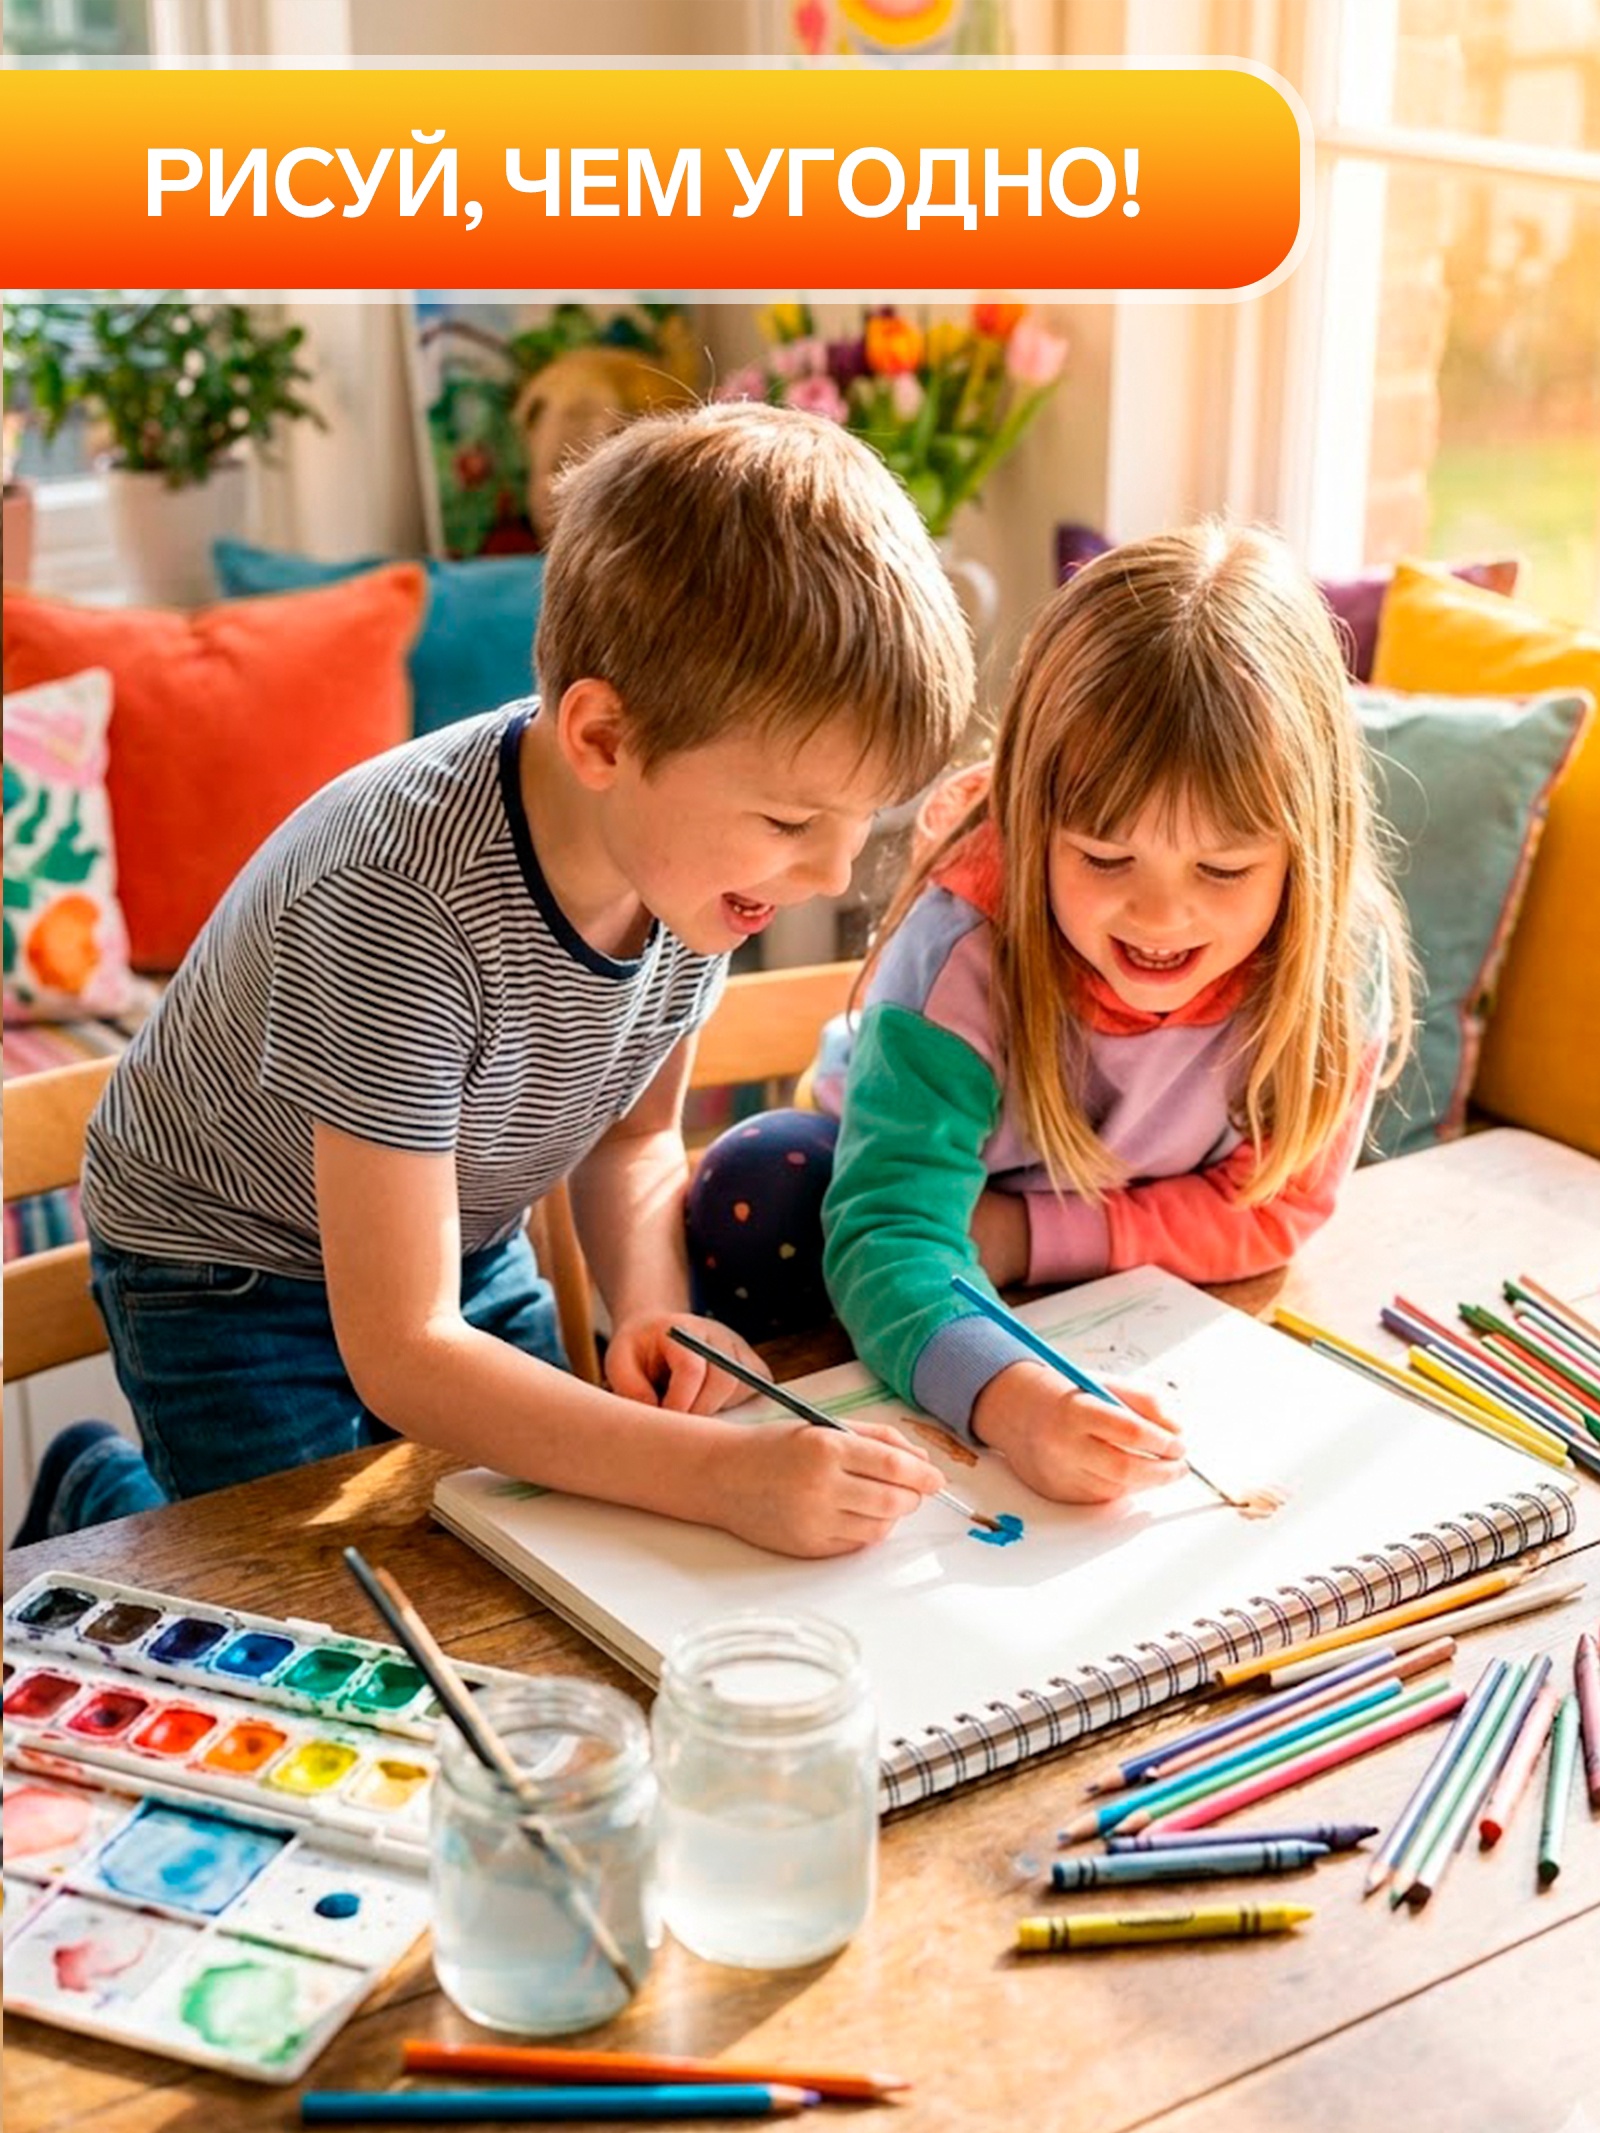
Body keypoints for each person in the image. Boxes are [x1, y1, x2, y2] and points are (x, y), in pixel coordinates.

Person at [44, 403, 974, 1561]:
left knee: (531, 1543)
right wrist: (721, 1475)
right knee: (309, 1585)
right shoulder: (399, 904)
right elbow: (406, 1352)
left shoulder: (695, 866)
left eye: (856, 824)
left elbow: (633, 1139)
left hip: (453, 1234)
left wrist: (650, 1305)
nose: (832, 872)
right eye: (792, 821)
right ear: (601, 740)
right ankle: (97, 1499)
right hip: (230, 1267)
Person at [689, 522, 1413, 1505]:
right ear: (1031, 824)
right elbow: (894, 1233)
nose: (1159, 916)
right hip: (905, 1197)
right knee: (762, 1187)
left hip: (1035, 1236)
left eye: (1223, 868)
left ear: (1308, 851)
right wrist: (1017, 1404)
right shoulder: (965, 954)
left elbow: (1277, 1209)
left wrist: (1023, 1237)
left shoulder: (1337, 958)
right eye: (1104, 859)